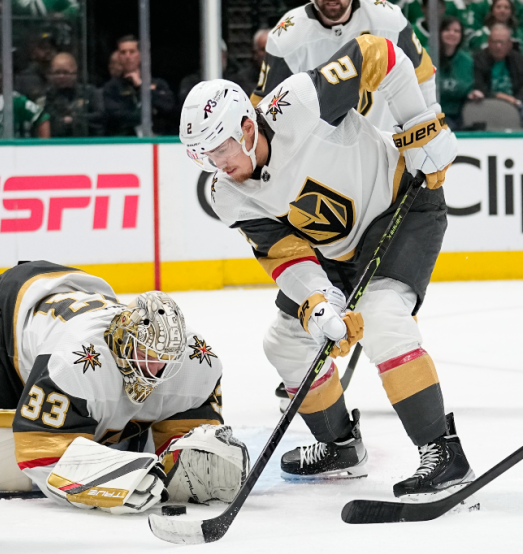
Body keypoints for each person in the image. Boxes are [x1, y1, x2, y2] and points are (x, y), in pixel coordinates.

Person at [181, 36, 474, 498]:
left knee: (381, 318)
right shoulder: (226, 193)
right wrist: (319, 305)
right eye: (203, 156)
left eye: (219, 149)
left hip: (401, 205)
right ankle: (339, 444)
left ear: (245, 125)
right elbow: (284, 252)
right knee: (284, 342)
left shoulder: (298, 102)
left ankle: (443, 451)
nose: (215, 164)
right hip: (334, 251)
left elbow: (379, 52)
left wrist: (421, 127)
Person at [0, 261, 248, 513]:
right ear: (122, 339)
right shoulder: (75, 360)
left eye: (164, 360)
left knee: (106, 430)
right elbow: (39, 453)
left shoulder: (197, 361)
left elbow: (185, 450)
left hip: (76, 296)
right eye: (144, 354)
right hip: (2, 314)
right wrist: (117, 479)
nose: (154, 371)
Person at [253, 0, 440, 134]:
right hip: (323, 158)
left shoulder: (388, 18)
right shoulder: (286, 36)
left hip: (387, 147)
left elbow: (422, 75)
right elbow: (265, 107)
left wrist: (434, 124)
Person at [101, 35, 176, 136]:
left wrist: (141, 86)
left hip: (158, 139)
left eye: (132, 52)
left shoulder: (158, 84)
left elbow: (168, 108)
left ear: (141, 54)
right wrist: (152, 113)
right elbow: (117, 116)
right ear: (119, 56)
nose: (127, 56)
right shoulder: (111, 87)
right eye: (123, 52)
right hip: (125, 141)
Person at [40, 52, 103, 138]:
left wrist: (75, 119)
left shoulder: (89, 93)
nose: (61, 76)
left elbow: (100, 117)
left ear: (75, 73)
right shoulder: (47, 95)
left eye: (66, 72)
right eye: (57, 73)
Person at [469, 22, 523, 110]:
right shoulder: (477, 60)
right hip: (486, 104)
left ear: (510, 44)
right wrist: (499, 96)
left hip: (516, 105)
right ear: (489, 42)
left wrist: (517, 101)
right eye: (495, 42)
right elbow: (478, 87)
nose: (498, 46)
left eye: (502, 42)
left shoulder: (519, 60)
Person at [438, 16, 474, 129]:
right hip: (429, 117)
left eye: (456, 31)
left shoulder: (467, 61)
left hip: (458, 116)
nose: (451, 33)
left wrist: (472, 93)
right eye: (447, 30)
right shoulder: (424, 55)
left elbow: (469, 88)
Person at [14, 31, 57, 103]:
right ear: (33, 51)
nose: (48, 51)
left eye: (51, 47)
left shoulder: (62, 76)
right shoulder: (24, 78)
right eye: (43, 47)